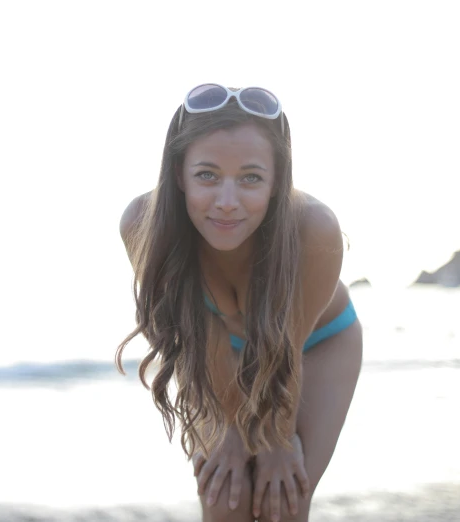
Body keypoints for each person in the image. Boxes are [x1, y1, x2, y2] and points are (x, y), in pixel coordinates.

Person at [117, 84, 363, 522]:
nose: (227, 203)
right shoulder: (143, 225)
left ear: (276, 181)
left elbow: (282, 352)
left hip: (316, 344)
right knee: (225, 497)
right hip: (213, 352)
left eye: (251, 178)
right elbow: (194, 335)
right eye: (207, 175)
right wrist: (230, 432)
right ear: (178, 174)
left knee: (282, 500)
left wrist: (276, 438)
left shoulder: (314, 227)